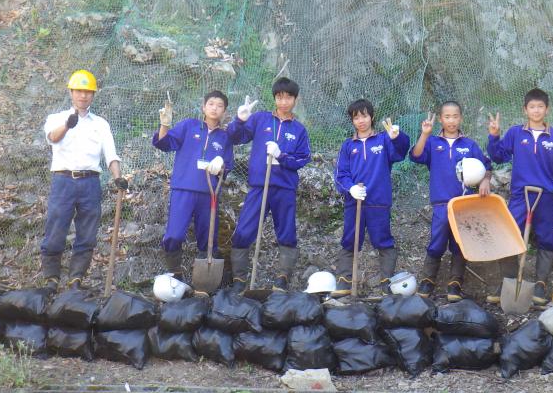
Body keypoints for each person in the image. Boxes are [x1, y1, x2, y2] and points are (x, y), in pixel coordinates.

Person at [40, 69, 127, 292]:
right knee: (56, 227)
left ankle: (76, 278)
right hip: (63, 180)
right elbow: (52, 138)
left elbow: (111, 154)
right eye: (79, 91)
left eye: (88, 92)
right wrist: (68, 125)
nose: (83, 96)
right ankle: (51, 278)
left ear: (93, 95)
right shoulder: (57, 118)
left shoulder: (101, 124)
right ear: (71, 92)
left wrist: (118, 178)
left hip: (90, 183)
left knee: (87, 231)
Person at [486, 88, 553, 306]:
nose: (536, 110)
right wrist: (494, 136)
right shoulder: (516, 133)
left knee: (547, 238)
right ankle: (509, 281)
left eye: (540, 106)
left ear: (547, 109)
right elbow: (498, 156)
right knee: (509, 235)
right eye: (532, 107)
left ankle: (541, 284)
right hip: (520, 195)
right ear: (525, 110)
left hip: (546, 196)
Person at [227, 78, 311, 292]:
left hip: (284, 188)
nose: (283, 102)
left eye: (288, 97)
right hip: (258, 186)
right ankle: (239, 280)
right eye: (279, 97)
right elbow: (236, 137)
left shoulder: (299, 130)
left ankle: (282, 278)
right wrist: (240, 119)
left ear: (295, 99)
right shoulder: (261, 119)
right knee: (244, 231)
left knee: (286, 232)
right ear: (274, 98)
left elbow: (302, 159)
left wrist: (281, 156)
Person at [410, 101, 492, 302]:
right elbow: (416, 155)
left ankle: (455, 282)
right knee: (437, 242)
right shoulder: (432, 143)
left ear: (461, 118)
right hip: (441, 203)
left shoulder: (469, 145)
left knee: (459, 242)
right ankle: (428, 280)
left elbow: (486, 166)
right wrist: (425, 134)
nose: (451, 120)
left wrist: (485, 181)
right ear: (441, 119)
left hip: (463, 203)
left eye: (455, 116)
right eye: (447, 116)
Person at [152, 90, 234, 285]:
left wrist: (220, 165)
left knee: (208, 238)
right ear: (204, 107)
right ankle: (175, 273)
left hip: (209, 194)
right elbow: (164, 143)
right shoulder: (189, 126)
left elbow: (227, 166)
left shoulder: (225, 137)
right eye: (211, 103)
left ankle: (205, 281)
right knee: (174, 234)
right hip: (183, 189)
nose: (215, 108)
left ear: (224, 111)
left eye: (220, 105)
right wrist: (165, 124)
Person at [331, 99, 410, 297]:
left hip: (379, 202)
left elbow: (400, 153)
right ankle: (344, 281)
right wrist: (350, 189)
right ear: (352, 121)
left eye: (364, 116)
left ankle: (386, 282)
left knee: (382, 239)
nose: (361, 121)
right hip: (354, 203)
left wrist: (397, 137)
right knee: (350, 240)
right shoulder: (348, 146)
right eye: (356, 117)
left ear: (372, 117)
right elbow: (341, 175)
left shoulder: (384, 140)